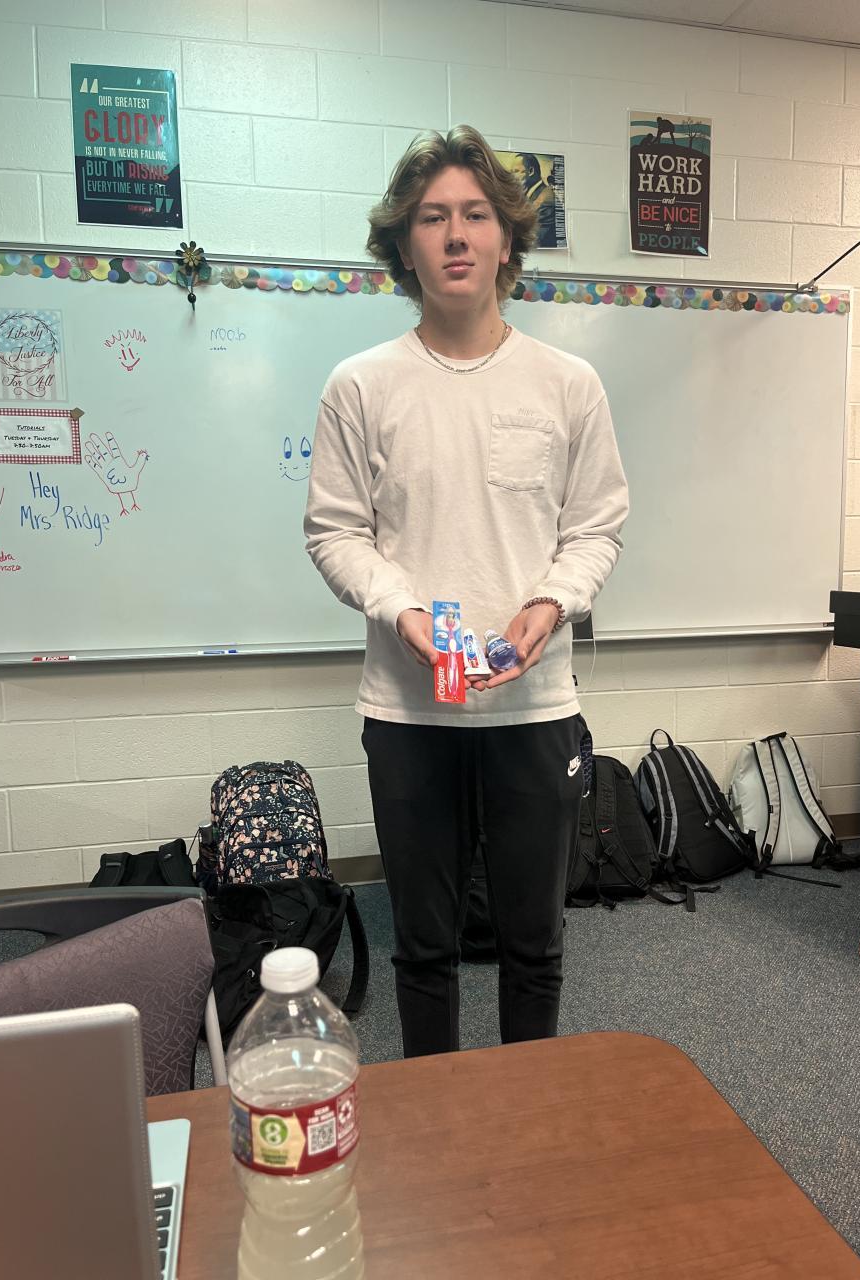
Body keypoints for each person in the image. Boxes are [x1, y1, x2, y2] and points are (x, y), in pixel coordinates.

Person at [304, 124, 629, 1058]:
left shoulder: (568, 384)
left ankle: (528, 1114)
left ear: (507, 239)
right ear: (403, 246)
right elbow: (335, 532)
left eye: (476, 215)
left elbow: (596, 526)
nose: (456, 235)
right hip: (410, 712)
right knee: (424, 949)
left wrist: (551, 603)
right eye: (433, 217)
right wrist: (400, 609)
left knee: (535, 947)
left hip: (535, 707)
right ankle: (433, 1121)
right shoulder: (360, 386)